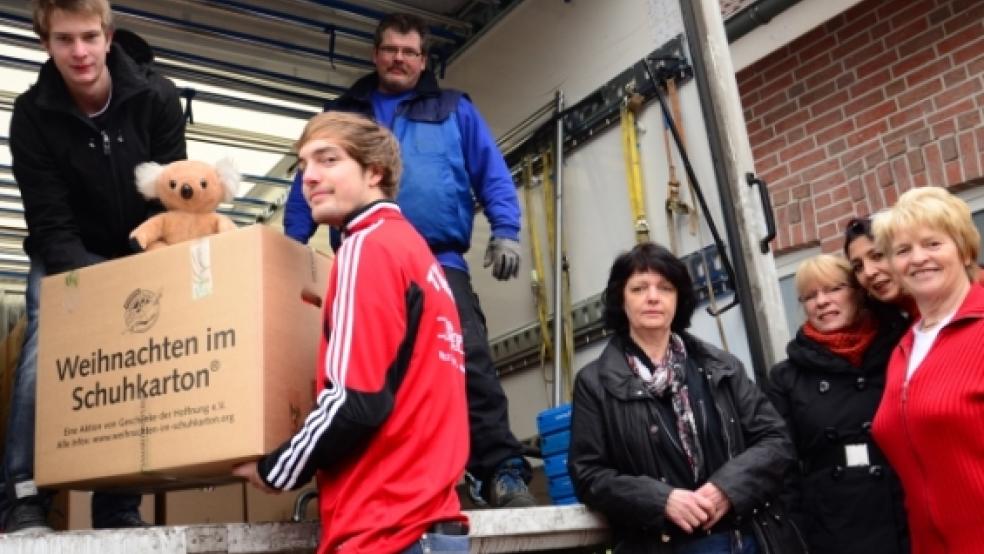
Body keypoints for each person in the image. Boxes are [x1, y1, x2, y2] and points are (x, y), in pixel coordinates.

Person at [283, 13, 532, 508]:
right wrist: (289, 247)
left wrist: (506, 231)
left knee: (470, 365)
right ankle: (373, 483)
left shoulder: (455, 108)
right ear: (376, 55)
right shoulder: (345, 114)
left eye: (410, 51)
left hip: (440, 263)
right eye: (391, 49)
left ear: (424, 59)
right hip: (361, 259)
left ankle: (501, 470)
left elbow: (492, 172)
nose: (399, 58)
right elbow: (304, 186)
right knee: (363, 373)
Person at [234, 112, 470, 554]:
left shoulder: (368, 247)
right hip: (427, 524)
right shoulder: (416, 253)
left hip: (387, 528)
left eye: (328, 160)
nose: (310, 178)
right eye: (304, 167)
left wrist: (276, 469)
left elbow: (354, 400)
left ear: (374, 171)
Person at [1, 0, 186, 533]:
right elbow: (50, 219)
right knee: (46, 348)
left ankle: (118, 504)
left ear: (108, 36)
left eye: (88, 37)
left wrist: (140, 263)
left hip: (138, 246)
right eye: (64, 40)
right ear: (45, 44)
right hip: (65, 250)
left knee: (137, 355)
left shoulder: (157, 97)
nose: (78, 52)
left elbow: (171, 195)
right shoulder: (32, 115)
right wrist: (92, 279)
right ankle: (24, 496)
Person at [568, 242, 804, 554]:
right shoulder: (594, 382)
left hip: (746, 539)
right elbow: (589, 474)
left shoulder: (721, 365)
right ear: (620, 300)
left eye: (665, 288)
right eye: (639, 288)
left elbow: (775, 440)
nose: (653, 297)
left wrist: (726, 490)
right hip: (664, 544)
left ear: (679, 300)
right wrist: (661, 500)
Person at [764, 254, 909, 553]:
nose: (822, 301)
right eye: (810, 295)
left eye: (833, 289)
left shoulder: (900, 349)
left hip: (905, 508)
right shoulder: (786, 377)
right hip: (833, 526)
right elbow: (781, 469)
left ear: (858, 293)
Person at [870, 186, 984, 554]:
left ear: (964, 249)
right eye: (903, 250)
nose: (918, 259)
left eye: (933, 244)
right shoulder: (903, 348)